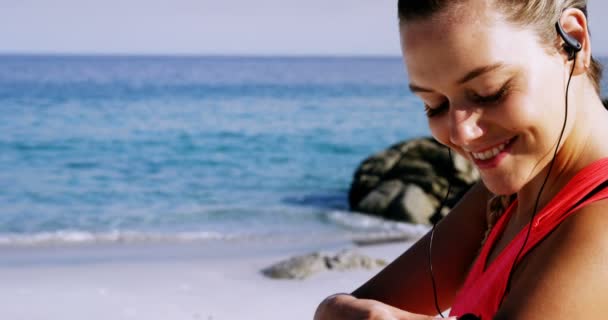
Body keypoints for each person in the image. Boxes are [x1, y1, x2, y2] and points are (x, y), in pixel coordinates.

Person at [314, 0, 608, 319]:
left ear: (572, 42)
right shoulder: (507, 197)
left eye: (488, 92)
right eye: (435, 104)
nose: (461, 133)